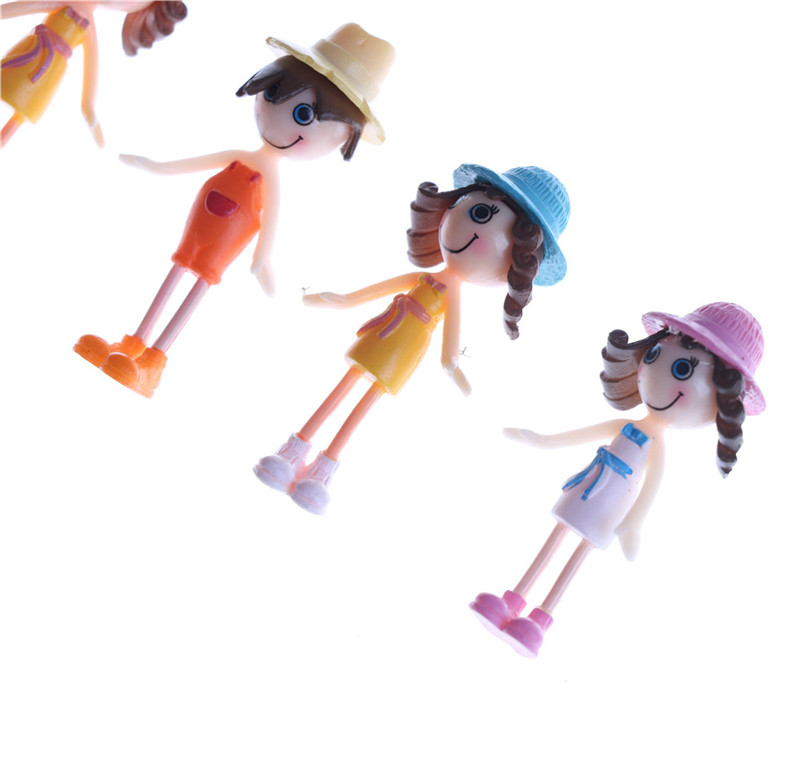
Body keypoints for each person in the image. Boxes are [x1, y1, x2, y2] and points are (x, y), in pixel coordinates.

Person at [73, 23, 394, 398]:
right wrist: (155, 166)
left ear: (342, 138)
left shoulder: (270, 179)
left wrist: (262, 261)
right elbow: (190, 163)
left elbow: (269, 221)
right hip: (199, 223)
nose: (278, 114)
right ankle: (131, 345)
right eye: (272, 91)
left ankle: (153, 363)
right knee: (176, 270)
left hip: (227, 239)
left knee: (199, 282)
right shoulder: (239, 156)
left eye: (303, 113)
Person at [254, 163, 571, 514]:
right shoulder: (420, 278)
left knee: (363, 403)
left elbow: (449, 351)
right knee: (343, 387)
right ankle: (294, 450)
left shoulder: (452, 295)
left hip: (405, 349)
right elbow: (359, 295)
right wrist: (334, 299)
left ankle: (322, 470)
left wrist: (456, 372)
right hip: (382, 330)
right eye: (475, 211)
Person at [470, 302, 766, 657]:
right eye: (654, 354)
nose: (655, 373)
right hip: (588, 484)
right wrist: (541, 440)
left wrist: (633, 524)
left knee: (577, 554)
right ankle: (511, 600)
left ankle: (540, 620)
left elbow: (651, 488)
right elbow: (577, 435)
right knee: (556, 537)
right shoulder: (624, 425)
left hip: (612, 503)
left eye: (682, 369)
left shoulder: (657, 447)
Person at [1, 1, 187, 147]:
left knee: (17, 118)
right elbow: (19, 8)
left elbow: (90, 82)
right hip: (30, 52)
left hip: (46, 74)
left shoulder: (86, 26)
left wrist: (90, 115)